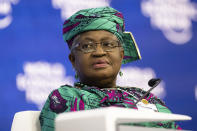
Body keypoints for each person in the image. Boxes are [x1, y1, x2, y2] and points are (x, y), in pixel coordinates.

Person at [39, 7, 181, 131]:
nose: (99, 52)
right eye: (87, 46)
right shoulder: (65, 97)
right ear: (73, 60)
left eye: (108, 44)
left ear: (121, 55)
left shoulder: (147, 98)